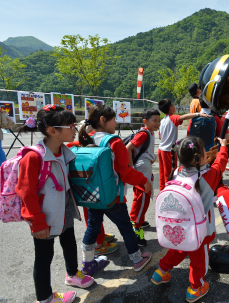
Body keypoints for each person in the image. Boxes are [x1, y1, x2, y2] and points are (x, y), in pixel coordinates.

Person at [15, 105, 94, 303]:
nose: (74, 128)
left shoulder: (62, 149)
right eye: (70, 125)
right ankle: (45, 298)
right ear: (52, 130)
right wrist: (37, 222)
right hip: (44, 214)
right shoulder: (33, 157)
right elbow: (26, 192)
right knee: (44, 256)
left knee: (69, 241)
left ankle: (72, 274)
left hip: (63, 207)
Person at [151, 135, 229, 303]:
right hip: (200, 230)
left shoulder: (176, 172)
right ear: (201, 157)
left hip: (179, 225)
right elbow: (221, 162)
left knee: (179, 249)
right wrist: (223, 147)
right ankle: (195, 288)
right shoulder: (207, 177)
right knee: (199, 260)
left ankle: (161, 271)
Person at [78, 104, 152, 274]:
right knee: (126, 227)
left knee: (93, 226)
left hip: (92, 194)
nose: (116, 123)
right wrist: (143, 181)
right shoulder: (114, 142)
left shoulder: (86, 137)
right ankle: (137, 259)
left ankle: (87, 263)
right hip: (113, 196)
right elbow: (125, 172)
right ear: (103, 120)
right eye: (114, 119)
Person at [66, 126, 117, 256]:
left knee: (94, 217)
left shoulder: (76, 145)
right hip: (89, 185)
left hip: (85, 185)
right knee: (93, 219)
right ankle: (98, 244)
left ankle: (101, 236)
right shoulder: (87, 142)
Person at [157, 99, 211, 191]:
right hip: (168, 150)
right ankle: (169, 190)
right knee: (170, 172)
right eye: (173, 104)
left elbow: (159, 136)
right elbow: (184, 117)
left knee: (162, 172)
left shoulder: (162, 121)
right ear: (171, 108)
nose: (174, 106)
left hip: (161, 149)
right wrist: (198, 114)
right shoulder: (172, 118)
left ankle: (162, 189)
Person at [126, 108, 161, 246]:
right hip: (141, 170)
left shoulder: (150, 133)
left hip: (144, 168)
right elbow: (128, 148)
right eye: (154, 121)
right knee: (143, 197)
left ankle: (138, 219)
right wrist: (131, 169)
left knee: (141, 196)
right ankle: (136, 226)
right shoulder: (144, 134)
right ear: (145, 121)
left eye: (159, 121)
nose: (157, 123)